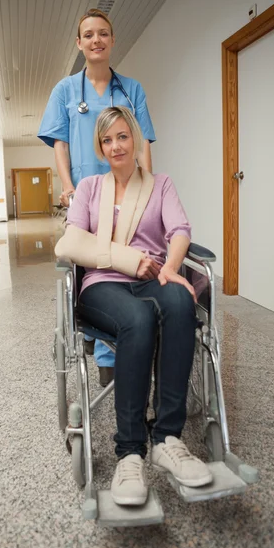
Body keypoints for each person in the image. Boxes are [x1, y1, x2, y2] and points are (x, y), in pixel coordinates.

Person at [55, 106, 212, 506]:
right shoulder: (89, 187)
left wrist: (172, 269)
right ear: (101, 147)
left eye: (122, 136)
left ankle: (167, 439)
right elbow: (70, 245)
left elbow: (179, 231)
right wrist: (129, 260)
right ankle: (129, 452)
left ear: (135, 139)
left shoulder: (161, 185)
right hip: (102, 284)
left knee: (179, 299)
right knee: (139, 320)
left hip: (152, 277)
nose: (115, 146)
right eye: (107, 140)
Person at [38, 8, 156, 387]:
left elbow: (141, 144)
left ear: (112, 39)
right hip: (87, 195)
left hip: (127, 193)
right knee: (92, 265)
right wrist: (69, 186)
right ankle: (94, 333)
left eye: (103, 33)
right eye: (88, 35)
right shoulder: (66, 90)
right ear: (79, 43)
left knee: (117, 265)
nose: (96, 40)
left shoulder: (131, 89)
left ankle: (110, 356)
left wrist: (147, 186)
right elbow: (59, 143)